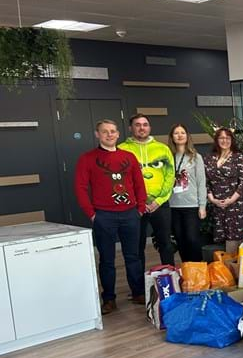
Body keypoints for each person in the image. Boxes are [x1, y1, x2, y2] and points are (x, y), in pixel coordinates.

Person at [74, 119, 146, 315]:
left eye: (113, 131)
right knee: (107, 259)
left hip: (130, 214)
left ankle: (138, 292)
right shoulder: (87, 159)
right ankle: (109, 299)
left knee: (133, 256)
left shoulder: (129, 157)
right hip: (103, 216)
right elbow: (80, 188)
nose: (109, 134)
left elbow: (139, 185)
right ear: (97, 134)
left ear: (118, 134)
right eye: (105, 132)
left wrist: (139, 209)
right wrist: (91, 214)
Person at [119, 114, 175, 283]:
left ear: (149, 128)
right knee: (137, 247)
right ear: (131, 128)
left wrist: (159, 200)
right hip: (135, 207)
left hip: (160, 204)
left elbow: (170, 175)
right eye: (137, 125)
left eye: (145, 124)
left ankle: (171, 279)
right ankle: (139, 287)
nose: (141, 128)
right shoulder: (121, 149)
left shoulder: (162, 149)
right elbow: (119, 180)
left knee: (166, 243)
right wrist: (139, 203)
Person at [204, 128, 243, 255]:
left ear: (232, 140)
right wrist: (212, 199)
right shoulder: (209, 158)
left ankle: (233, 268)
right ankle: (221, 268)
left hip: (235, 204)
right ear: (216, 140)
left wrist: (231, 200)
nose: (225, 141)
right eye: (221, 138)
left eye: (227, 138)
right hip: (216, 204)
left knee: (233, 236)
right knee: (219, 234)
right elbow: (205, 181)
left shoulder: (238, 157)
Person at [168, 124, 207, 262]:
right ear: (172, 137)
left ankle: (197, 268)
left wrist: (202, 206)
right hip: (173, 205)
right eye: (176, 133)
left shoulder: (196, 157)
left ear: (187, 136)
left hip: (191, 205)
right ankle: (187, 267)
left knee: (192, 239)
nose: (179, 135)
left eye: (182, 132)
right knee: (180, 239)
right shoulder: (168, 157)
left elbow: (201, 182)